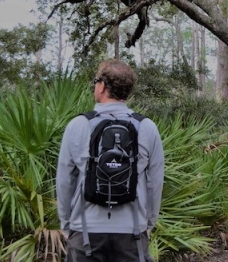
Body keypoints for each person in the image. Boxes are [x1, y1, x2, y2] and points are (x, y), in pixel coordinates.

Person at [57, 59, 164, 261]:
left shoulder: (78, 125)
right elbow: (155, 182)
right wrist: (148, 223)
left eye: (96, 81)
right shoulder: (147, 127)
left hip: (85, 231)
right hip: (132, 231)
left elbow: (65, 181)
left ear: (103, 86)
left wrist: (66, 224)